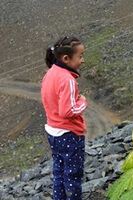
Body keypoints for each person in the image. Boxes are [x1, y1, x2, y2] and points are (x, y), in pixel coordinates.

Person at [41, 36, 87, 200]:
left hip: (53, 132)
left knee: (59, 171)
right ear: (66, 58)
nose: (82, 60)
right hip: (69, 135)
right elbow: (68, 111)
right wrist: (83, 102)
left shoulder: (50, 73)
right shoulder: (67, 79)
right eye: (80, 56)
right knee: (73, 175)